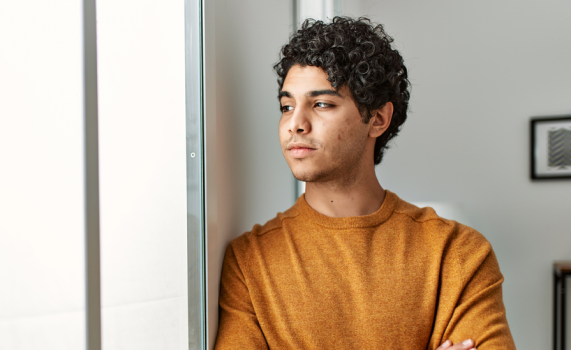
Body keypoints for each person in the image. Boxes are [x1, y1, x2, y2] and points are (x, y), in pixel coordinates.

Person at [214, 17, 515, 349]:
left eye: (322, 104)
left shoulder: (458, 253)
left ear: (377, 119)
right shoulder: (249, 261)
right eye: (287, 107)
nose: (295, 124)